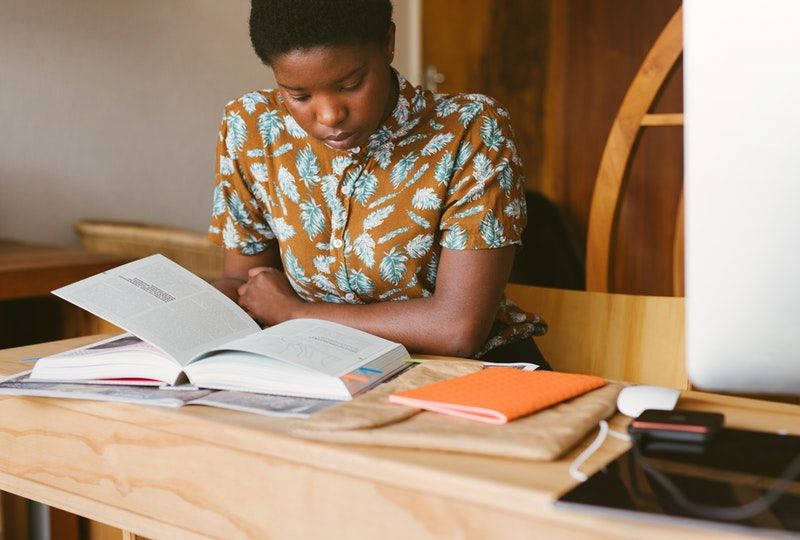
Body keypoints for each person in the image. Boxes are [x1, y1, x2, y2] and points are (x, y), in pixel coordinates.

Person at [207, 0, 549, 367]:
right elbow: (250, 286)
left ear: (388, 43)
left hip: (467, 374)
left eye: (351, 84)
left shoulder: (470, 129)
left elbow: (457, 330)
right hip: (320, 369)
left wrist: (297, 314)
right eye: (299, 95)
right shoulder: (253, 128)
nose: (329, 115)